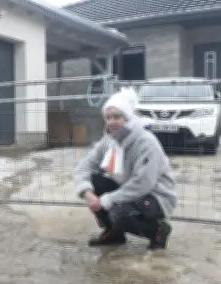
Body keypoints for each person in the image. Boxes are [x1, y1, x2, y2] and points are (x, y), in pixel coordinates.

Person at [72, 87, 178, 250]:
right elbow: (84, 167)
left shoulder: (145, 142)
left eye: (117, 117)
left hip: (156, 195)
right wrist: (88, 193)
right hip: (127, 189)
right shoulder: (109, 141)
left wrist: (107, 199)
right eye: (108, 118)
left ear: (128, 117)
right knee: (94, 181)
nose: (111, 122)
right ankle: (114, 233)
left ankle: (158, 230)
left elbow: (142, 184)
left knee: (119, 212)